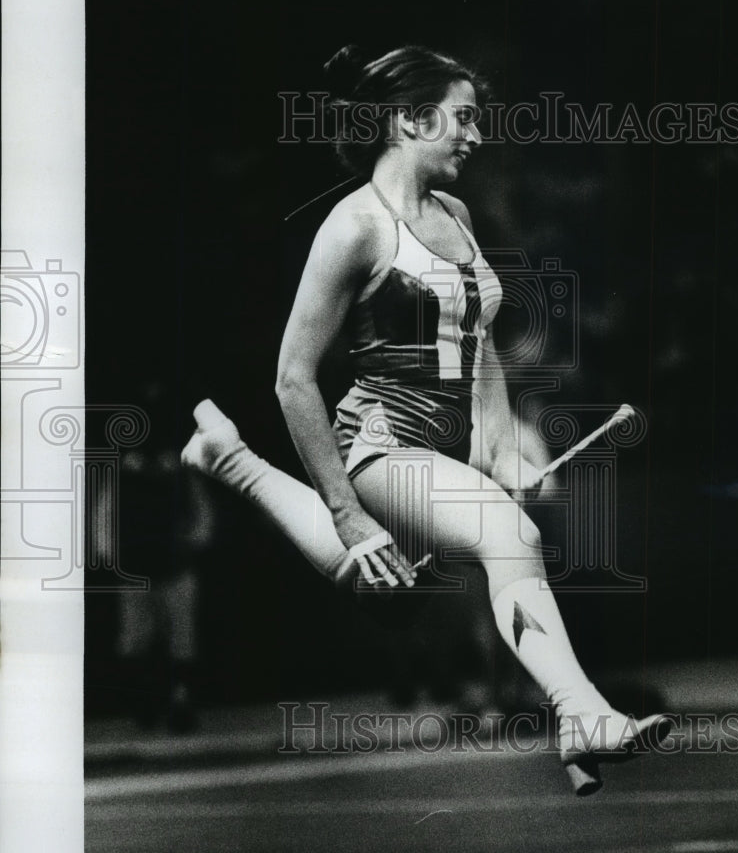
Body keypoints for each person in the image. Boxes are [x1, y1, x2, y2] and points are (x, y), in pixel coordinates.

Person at [182, 44, 671, 795]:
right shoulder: (353, 229)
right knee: (508, 535)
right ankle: (582, 712)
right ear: (410, 120)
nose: (476, 136)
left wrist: (502, 452)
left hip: (443, 450)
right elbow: (292, 379)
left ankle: (229, 459)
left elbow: (482, 350)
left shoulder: (457, 215)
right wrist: (349, 513)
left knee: (377, 583)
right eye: (463, 119)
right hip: (378, 445)